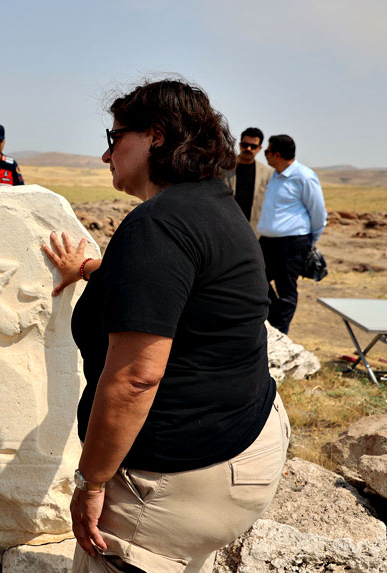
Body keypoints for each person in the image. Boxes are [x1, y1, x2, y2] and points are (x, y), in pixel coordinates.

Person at [42, 79, 290, 573]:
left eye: (114, 138)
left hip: (176, 481)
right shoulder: (213, 204)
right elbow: (180, 293)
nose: (105, 154)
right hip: (246, 441)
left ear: (155, 136)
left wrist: (91, 482)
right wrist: (91, 270)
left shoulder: (157, 225)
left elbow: (136, 377)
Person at [257, 134, 327, 334]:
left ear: (277, 154)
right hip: (267, 242)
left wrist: (308, 242)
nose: (266, 156)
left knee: (286, 289)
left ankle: (280, 334)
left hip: (293, 243)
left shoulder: (304, 176)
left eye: (267, 152)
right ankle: (271, 321)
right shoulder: (275, 175)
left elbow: (318, 212)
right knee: (257, 279)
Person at [222, 127, 273, 233]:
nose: (248, 149)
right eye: (245, 145)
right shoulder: (224, 168)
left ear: (259, 148)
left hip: (254, 232)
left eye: (253, 146)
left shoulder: (267, 174)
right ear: (240, 145)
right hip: (226, 228)